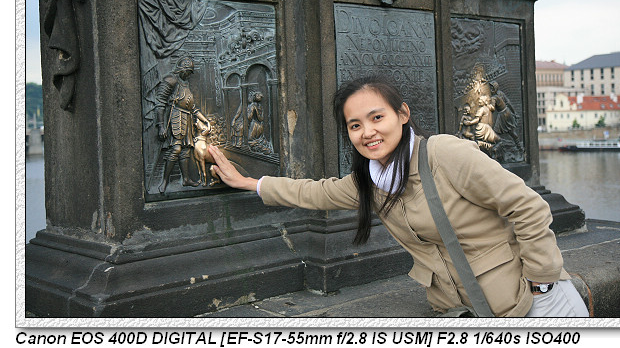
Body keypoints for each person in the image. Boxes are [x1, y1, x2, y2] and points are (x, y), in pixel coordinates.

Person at [206, 76, 588, 318]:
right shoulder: (370, 182)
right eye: (355, 125)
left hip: (533, 306)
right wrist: (248, 182)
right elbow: (315, 192)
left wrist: (542, 282)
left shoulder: (443, 154)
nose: (367, 132)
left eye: (377, 118)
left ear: (402, 114)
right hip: (466, 314)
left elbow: (527, 206)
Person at [155, 55, 211, 193]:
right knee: (176, 149)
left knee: (186, 150)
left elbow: (193, 108)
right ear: (181, 69)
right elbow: (160, 103)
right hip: (175, 117)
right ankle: (165, 181)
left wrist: (205, 120)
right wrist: (161, 125)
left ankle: (186, 179)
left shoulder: (186, 84)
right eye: (187, 71)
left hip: (187, 119)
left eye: (190, 72)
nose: (188, 75)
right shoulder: (171, 81)